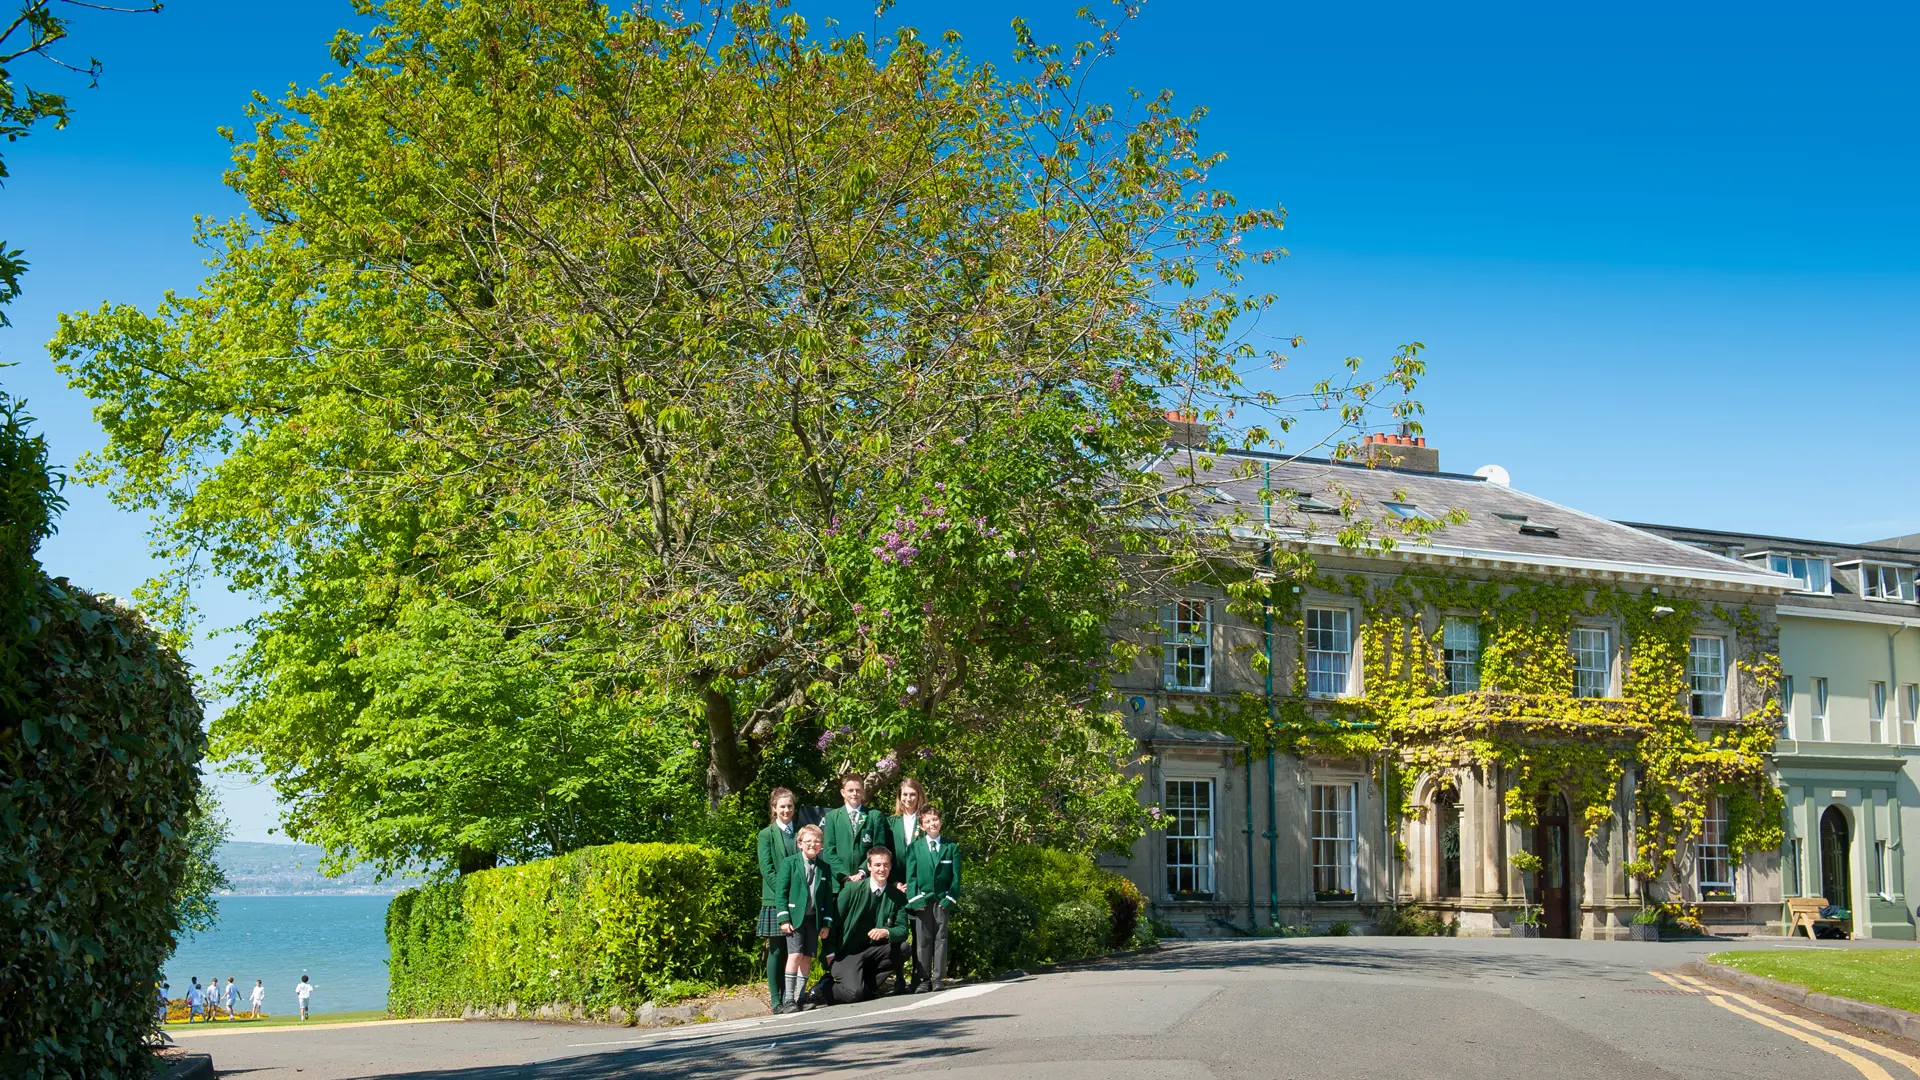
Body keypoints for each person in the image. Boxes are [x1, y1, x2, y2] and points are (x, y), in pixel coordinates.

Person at [823, 845, 910, 1004]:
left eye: (886, 865)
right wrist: (829, 953)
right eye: (877, 865)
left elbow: (903, 930)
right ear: (869, 866)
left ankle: (868, 989)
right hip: (848, 953)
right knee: (853, 994)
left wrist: (887, 932)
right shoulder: (851, 890)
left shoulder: (897, 897)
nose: (882, 869)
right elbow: (833, 923)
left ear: (890, 866)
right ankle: (824, 989)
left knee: (903, 948)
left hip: (874, 951)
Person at [771, 823, 835, 1014]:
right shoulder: (789, 863)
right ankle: (788, 999)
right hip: (794, 918)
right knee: (795, 955)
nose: (812, 845)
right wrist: (784, 918)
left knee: (807, 957)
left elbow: (827, 897)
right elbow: (781, 892)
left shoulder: (825, 867)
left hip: (813, 919)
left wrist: (826, 923)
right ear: (799, 843)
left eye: (817, 841)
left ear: (821, 845)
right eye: (808, 841)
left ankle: (800, 998)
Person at [903, 804, 961, 993]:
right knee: (923, 940)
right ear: (921, 826)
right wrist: (915, 900)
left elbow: (956, 878)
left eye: (935, 819)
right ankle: (924, 979)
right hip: (922, 901)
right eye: (927, 821)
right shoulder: (914, 848)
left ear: (941, 822)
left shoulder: (951, 848)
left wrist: (949, 899)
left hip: (942, 901)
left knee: (941, 938)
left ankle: (938, 978)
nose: (932, 823)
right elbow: (911, 877)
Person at [756, 787, 802, 1010]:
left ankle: (790, 997)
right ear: (774, 808)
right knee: (776, 948)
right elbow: (767, 868)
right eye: (782, 806)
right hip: (775, 898)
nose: (786, 810)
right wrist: (784, 892)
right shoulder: (766, 835)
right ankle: (776, 1000)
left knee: (795, 949)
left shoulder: (800, 833)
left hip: (799, 898)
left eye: (789, 806)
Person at [821, 773, 888, 888]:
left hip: (866, 882)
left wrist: (862, 872)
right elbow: (829, 851)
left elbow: (878, 849)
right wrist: (845, 876)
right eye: (850, 790)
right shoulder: (832, 817)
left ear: (863, 792)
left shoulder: (874, 816)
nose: (854, 794)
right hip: (839, 884)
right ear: (843, 792)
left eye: (858, 790)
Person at [888, 777, 928, 856]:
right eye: (905, 794)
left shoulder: (927, 820)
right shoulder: (891, 822)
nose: (908, 799)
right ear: (900, 796)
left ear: (919, 796)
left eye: (912, 794)